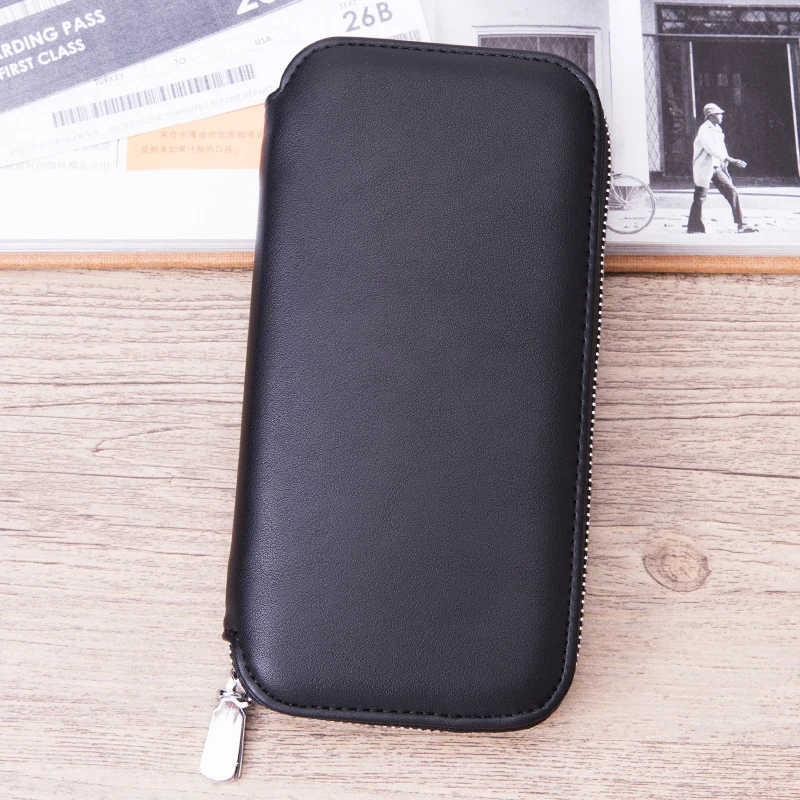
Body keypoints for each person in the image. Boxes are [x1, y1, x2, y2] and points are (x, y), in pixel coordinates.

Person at [687, 102, 757, 234]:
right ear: (711, 115)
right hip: (704, 168)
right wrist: (731, 159)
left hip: (716, 168)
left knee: (732, 191)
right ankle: (694, 226)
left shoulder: (717, 130)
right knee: (700, 197)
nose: (721, 116)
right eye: (718, 114)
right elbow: (711, 148)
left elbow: (721, 149)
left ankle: (741, 224)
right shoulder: (704, 130)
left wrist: (725, 162)